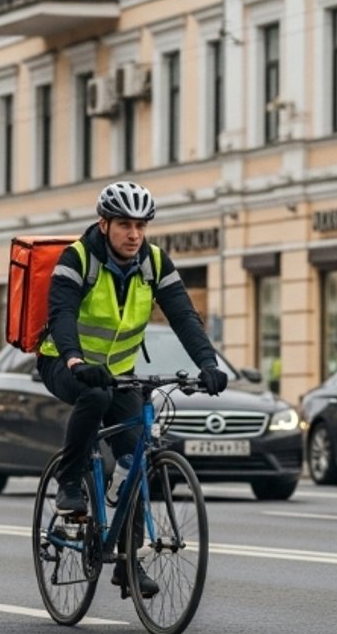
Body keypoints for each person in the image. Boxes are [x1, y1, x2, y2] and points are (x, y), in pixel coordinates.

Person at [36, 181, 228, 597]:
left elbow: (184, 317)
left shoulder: (154, 263)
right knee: (96, 396)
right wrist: (73, 359)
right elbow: (62, 313)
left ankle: (127, 562)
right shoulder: (79, 258)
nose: (134, 234)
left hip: (120, 369)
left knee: (136, 453)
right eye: (124, 224)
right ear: (104, 224)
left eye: (141, 225)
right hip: (64, 361)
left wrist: (208, 364)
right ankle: (70, 482)